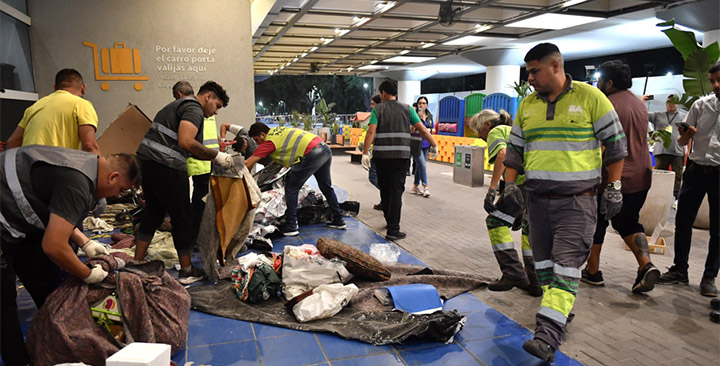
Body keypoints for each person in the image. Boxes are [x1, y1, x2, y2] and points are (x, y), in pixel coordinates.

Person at [504, 43, 626, 362]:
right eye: (528, 71)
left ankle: (547, 335)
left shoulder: (590, 98)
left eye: (535, 71)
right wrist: (508, 186)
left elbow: (615, 146)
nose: (529, 77)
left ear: (556, 66)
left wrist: (614, 186)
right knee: (544, 268)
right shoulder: (528, 105)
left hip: (577, 203)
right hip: (536, 202)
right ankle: (560, 310)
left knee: (566, 267)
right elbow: (515, 151)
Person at [0, 145, 139, 366]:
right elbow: (54, 246)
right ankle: (19, 361)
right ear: (113, 177)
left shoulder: (85, 164)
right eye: (119, 189)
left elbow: (53, 207)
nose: (115, 196)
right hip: (4, 221)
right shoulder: (79, 184)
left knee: (45, 282)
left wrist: (85, 242)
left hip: (14, 215)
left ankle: (54, 345)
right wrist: (87, 274)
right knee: (3, 299)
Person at [134, 81, 235, 285]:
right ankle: (187, 271)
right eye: (217, 106)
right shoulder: (193, 108)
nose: (215, 113)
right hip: (167, 166)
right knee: (182, 217)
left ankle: (137, 262)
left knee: (154, 212)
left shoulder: (177, 106)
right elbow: (186, 142)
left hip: (149, 163)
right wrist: (217, 157)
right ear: (208, 97)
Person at [582, 60, 658, 293]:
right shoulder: (638, 103)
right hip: (641, 177)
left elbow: (602, 146)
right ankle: (646, 265)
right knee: (628, 222)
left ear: (610, 82)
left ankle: (593, 271)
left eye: (601, 80)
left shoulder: (606, 104)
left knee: (597, 223)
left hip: (613, 178)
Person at [658, 62, 720, 297]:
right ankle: (680, 270)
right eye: (712, 80)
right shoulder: (701, 105)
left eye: (719, 80)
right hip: (695, 169)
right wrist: (687, 136)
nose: (715, 85)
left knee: (718, 230)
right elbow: (683, 143)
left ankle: (709, 277)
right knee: (683, 221)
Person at [470, 109, 542, 297]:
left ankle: (513, 273)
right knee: (528, 231)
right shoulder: (513, 130)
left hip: (523, 184)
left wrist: (491, 190)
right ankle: (534, 282)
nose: (479, 136)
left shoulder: (496, 131)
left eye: (479, 130)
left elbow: (502, 155)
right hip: (538, 183)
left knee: (495, 221)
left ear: (487, 125)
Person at [361, 80, 438, 240]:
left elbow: (371, 131)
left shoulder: (379, 109)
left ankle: (390, 222)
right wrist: (434, 144)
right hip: (401, 158)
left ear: (383, 93)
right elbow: (422, 128)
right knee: (396, 191)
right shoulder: (408, 108)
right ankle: (393, 229)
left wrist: (365, 152)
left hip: (382, 158)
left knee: (385, 190)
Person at [245, 123, 346, 236]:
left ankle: (291, 225)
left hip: (311, 153)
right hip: (323, 148)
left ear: (262, 134)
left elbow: (248, 164)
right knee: (326, 187)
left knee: (291, 188)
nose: (257, 143)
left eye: (256, 139)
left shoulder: (268, 142)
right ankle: (338, 220)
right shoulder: (278, 131)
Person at [7, 69, 101, 155]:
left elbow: (12, 142)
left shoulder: (34, 107)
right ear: (83, 88)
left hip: (29, 167)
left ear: (55, 88)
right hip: (58, 167)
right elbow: (89, 146)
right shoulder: (81, 105)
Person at [643, 94, 687, 199]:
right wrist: (642, 101)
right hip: (660, 151)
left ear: (678, 104)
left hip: (677, 151)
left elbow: (688, 134)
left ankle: (674, 198)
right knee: (659, 175)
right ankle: (657, 196)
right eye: (668, 103)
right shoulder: (658, 115)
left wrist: (688, 150)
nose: (671, 105)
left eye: (673, 103)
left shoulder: (684, 117)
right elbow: (642, 114)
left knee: (677, 176)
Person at [410, 96, 434, 197]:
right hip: (416, 144)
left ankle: (415, 186)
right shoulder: (413, 115)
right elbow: (410, 130)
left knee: (420, 166)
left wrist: (430, 131)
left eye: (424, 103)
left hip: (426, 144)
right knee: (422, 165)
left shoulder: (429, 115)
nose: (422, 105)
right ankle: (425, 187)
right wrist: (417, 121)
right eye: (420, 103)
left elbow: (432, 129)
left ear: (427, 105)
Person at [367, 95, 383, 210]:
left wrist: (364, 151)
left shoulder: (377, 113)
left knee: (373, 177)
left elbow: (371, 132)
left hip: (379, 153)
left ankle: (388, 195)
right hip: (381, 152)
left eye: (373, 104)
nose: (371, 106)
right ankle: (384, 200)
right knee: (381, 177)